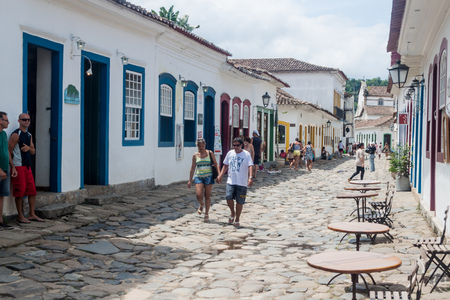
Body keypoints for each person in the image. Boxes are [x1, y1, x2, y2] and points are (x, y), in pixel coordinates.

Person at [8, 113, 44, 223]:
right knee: (20, 191)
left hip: (27, 167)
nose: (27, 122)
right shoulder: (16, 134)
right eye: (24, 120)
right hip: (18, 166)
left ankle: (31, 214)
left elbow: (33, 151)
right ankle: (20, 215)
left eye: (28, 120)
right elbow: (8, 151)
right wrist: (12, 167)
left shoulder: (29, 135)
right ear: (19, 121)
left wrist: (28, 148)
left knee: (32, 191)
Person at [217, 137, 253, 227]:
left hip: (242, 182)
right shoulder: (230, 153)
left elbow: (250, 166)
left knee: (240, 201)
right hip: (231, 180)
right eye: (234, 145)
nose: (235, 147)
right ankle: (232, 213)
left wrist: (250, 177)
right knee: (228, 197)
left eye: (237, 145)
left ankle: (237, 218)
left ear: (242, 145)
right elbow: (225, 165)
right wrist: (220, 175)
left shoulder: (246, 154)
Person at [187, 138, 220, 222]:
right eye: (199, 146)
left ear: (205, 145)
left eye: (202, 145)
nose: (201, 147)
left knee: (207, 195)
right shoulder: (195, 155)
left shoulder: (209, 153)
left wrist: (219, 175)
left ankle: (206, 213)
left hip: (209, 176)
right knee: (198, 194)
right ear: (197, 146)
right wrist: (190, 180)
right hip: (199, 176)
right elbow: (193, 167)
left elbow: (216, 164)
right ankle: (201, 203)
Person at [0, 112, 17, 228]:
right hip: (0, 170)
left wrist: (12, 166)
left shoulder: (4, 134)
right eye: (6, 120)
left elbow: (6, 152)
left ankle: (0, 219)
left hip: (5, 168)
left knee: (1, 195)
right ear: (0, 121)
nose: (8, 122)